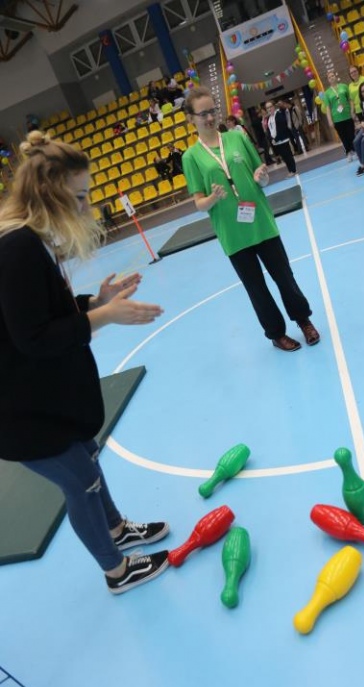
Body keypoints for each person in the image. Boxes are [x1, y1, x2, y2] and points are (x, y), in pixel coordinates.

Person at [0, 131, 170, 594]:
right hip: (21, 410)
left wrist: (94, 302)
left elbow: (41, 312)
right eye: (79, 196)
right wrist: (105, 316)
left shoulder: (34, 241)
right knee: (82, 481)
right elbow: (33, 337)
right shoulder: (16, 248)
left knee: (88, 460)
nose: (85, 204)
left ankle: (116, 529)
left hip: (46, 395)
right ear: (49, 191)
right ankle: (116, 570)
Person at [182, 87, 320, 351]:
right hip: (232, 233)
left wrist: (262, 178)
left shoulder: (237, 137)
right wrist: (212, 198)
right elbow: (199, 203)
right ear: (191, 119)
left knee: (285, 277)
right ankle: (276, 334)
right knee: (256, 288)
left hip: (260, 221)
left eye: (212, 111)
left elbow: (261, 175)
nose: (210, 118)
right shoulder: (191, 157)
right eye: (203, 114)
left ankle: (303, 320)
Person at [323, 70, 356, 162]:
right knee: (343, 137)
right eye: (329, 77)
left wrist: (352, 111)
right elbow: (328, 108)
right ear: (328, 80)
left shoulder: (344, 86)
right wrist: (330, 120)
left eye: (332, 75)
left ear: (335, 76)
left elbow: (350, 100)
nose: (331, 78)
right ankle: (348, 153)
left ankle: (355, 150)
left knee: (351, 134)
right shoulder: (327, 93)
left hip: (348, 115)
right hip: (337, 118)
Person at [265, 100, 297, 177]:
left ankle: (293, 170)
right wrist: (271, 139)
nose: (269, 109)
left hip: (282, 139)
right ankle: (290, 170)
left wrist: (276, 139)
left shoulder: (278, 114)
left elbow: (281, 127)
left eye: (270, 107)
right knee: (284, 157)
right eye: (267, 108)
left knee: (288, 155)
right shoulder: (269, 118)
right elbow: (269, 130)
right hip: (276, 141)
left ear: (273, 107)